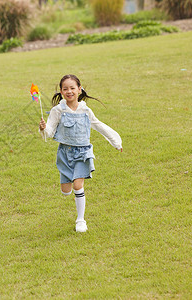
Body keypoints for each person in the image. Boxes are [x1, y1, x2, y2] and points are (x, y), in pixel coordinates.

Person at [39, 74, 122, 232]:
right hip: (65, 153)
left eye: (72, 88)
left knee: (78, 185)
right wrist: (43, 128)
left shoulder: (85, 110)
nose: (69, 91)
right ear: (61, 92)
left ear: (79, 89)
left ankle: (80, 220)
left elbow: (98, 125)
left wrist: (116, 141)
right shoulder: (58, 110)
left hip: (83, 152)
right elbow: (49, 132)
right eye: (65, 89)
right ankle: (67, 189)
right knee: (66, 190)